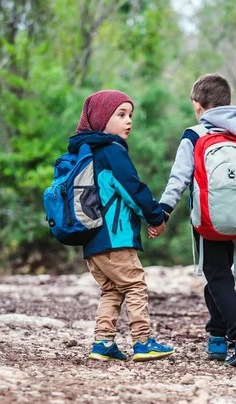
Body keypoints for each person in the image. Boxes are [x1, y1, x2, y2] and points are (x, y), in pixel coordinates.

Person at [151, 74, 236, 367]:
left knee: (217, 276)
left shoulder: (194, 135)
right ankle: (216, 337)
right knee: (219, 274)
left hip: (206, 219)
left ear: (198, 106)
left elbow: (179, 180)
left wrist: (162, 212)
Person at [69, 89, 174, 362]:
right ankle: (143, 341)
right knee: (135, 285)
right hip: (115, 238)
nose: (129, 121)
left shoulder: (87, 152)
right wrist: (156, 216)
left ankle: (103, 343)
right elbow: (132, 189)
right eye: (121, 114)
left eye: (131, 115)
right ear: (102, 119)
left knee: (112, 289)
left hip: (92, 240)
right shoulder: (112, 151)